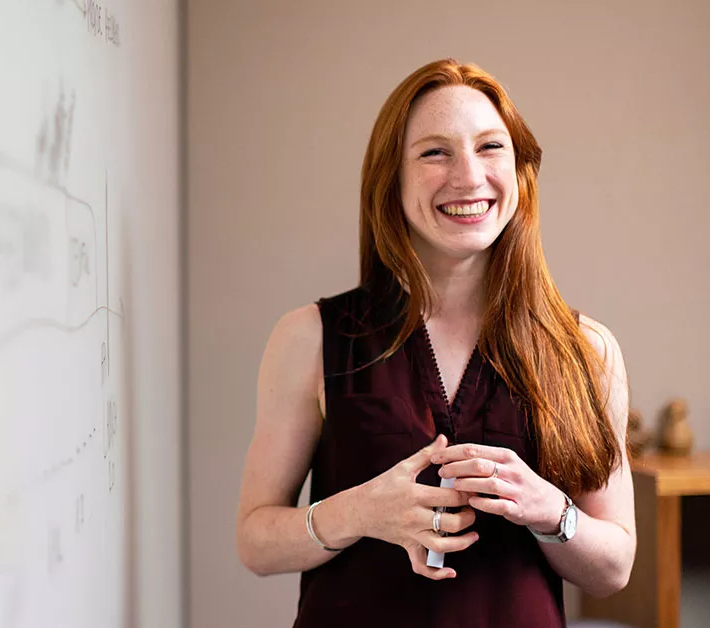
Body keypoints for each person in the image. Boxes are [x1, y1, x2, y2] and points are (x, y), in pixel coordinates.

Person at [236, 58, 636, 627]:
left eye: (490, 147)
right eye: (434, 152)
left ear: (520, 170)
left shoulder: (588, 350)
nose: (469, 176)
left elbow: (615, 567)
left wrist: (551, 511)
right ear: (390, 180)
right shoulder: (309, 339)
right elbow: (254, 541)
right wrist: (358, 512)